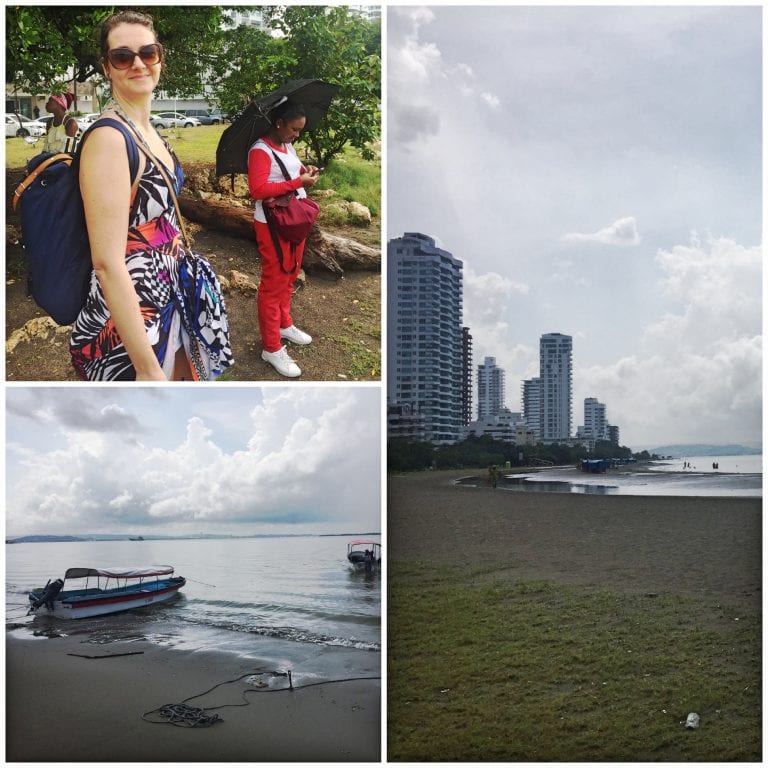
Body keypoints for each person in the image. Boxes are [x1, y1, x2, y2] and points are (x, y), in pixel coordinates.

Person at [70, 10, 232, 380]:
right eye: (122, 56)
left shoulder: (147, 130)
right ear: (106, 66)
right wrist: (146, 369)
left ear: (160, 57)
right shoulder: (110, 140)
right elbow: (107, 263)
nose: (138, 63)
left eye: (148, 52)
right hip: (133, 317)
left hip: (169, 296)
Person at [248, 102, 320, 377]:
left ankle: (284, 324)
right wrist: (298, 183)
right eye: (294, 129)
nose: (297, 135)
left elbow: (293, 171)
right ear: (279, 123)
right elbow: (258, 189)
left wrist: (307, 172)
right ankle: (271, 347)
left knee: (290, 274)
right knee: (273, 283)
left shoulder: (287, 145)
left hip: (294, 219)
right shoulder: (260, 150)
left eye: (300, 130)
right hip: (273, 224)